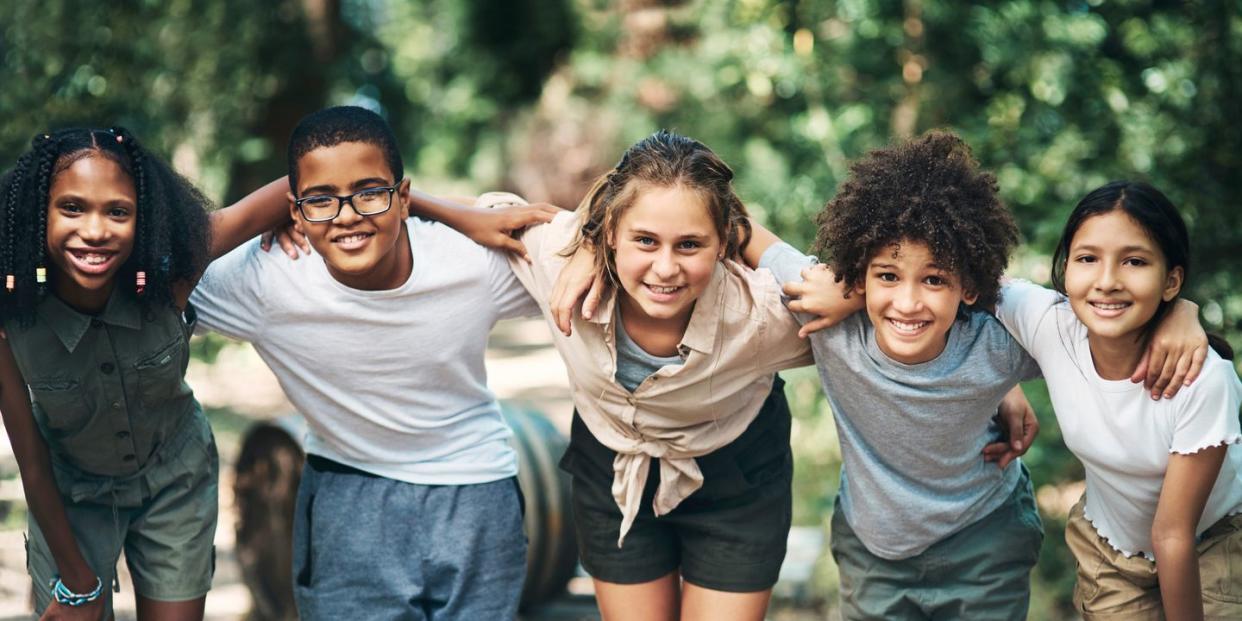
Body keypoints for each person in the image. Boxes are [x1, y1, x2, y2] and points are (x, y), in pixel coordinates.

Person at [413, 129, 826, 621]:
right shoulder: (559, 255)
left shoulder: (762, 316)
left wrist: (843, 291)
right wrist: (422, 203)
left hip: (736, 475)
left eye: (690, 245)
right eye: (645, 241)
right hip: (612, 466)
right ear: (608, 233)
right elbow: (457, 210)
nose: (665, 268)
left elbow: (890, 307)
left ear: (724, 246)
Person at [189, 105, 555, 620]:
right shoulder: (266, 280)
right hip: (347, 497)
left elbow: (607, 265)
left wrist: (465, 214)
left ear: (404, 198)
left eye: (369, 193)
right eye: (320, 200)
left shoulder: (469, 260)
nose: (346, 215)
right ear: (293, 211)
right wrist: (271, 205)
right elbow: (157, 265)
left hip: (477, 493)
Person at [0, 127, 289, 620]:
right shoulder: (10, 313)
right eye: (71, 208)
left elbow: (302, 183)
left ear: (146, 218)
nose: (95, 230)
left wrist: (305, 217)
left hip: (174, 477)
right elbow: (30, 460)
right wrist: (76, 584)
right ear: (35, 214)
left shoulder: (172, 271)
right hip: (69, 489)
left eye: (118, 211)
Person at [994, 181, 1241, 620]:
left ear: (1171, 281)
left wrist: (1186, 309)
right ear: (1066, 267)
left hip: (1214, 541)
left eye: (1134, 261)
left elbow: (1173, 535)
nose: (1107, 282)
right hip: (1110, 551)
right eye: (1088, 259)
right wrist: (839, 288)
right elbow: (956, 274)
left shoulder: (1202, 380)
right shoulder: (1050, 323)